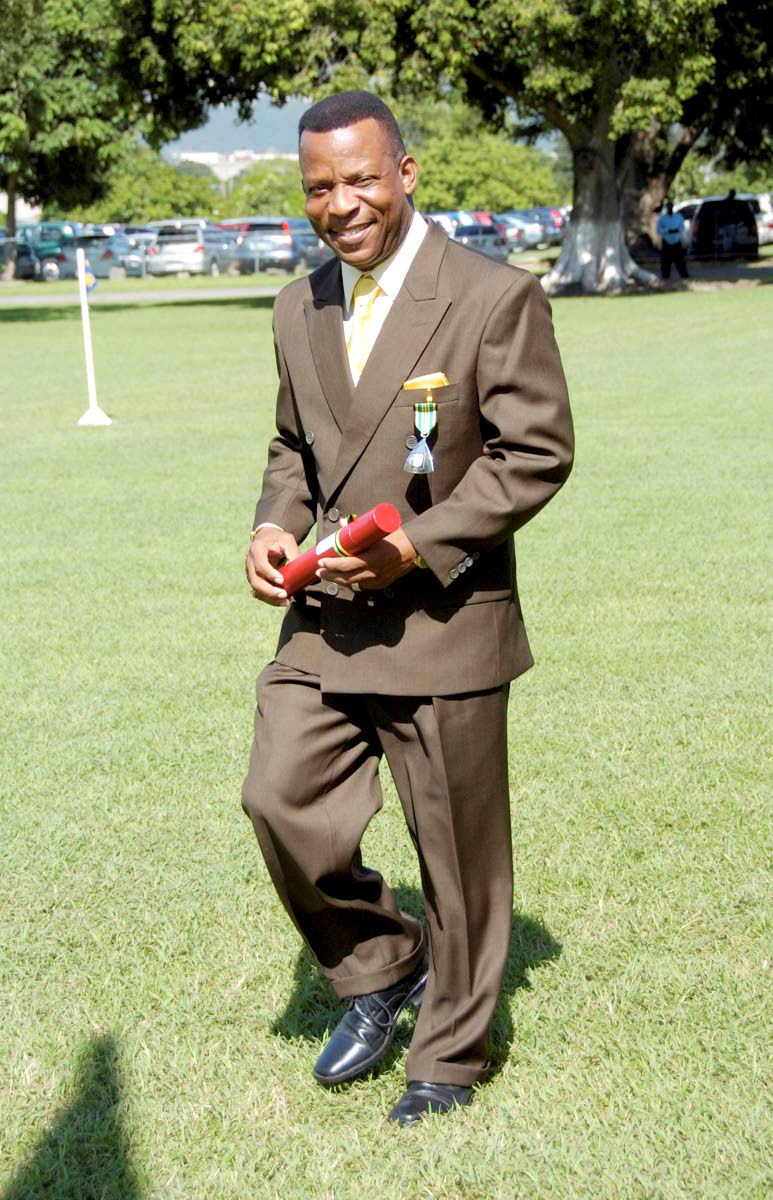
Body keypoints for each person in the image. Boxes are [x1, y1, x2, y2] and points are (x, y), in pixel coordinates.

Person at [242, 91, 574, 1126]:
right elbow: (295, 448)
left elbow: (536, 455)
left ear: (406, 172)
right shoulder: (299, 307)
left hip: (443, 621)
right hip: (325, 621)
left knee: (457, 858)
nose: (339, 204)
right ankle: (381, 967)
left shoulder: (489, 297)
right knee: (278, 797)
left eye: (359, 179)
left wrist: (416, 549)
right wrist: (271, 523)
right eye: (318, 188)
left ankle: (450, 1054)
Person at [656, 201, 688, 280]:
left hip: (676, 240)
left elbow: (682, 227)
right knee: (666, 260)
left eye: (671, 206)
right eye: (668, 206)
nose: (669, 208)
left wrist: (676, 230)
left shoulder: (678, 216)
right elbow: (659, 229)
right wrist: (667, 230)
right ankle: (665, 275)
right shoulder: (662, 218)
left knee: (680, 259)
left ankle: (684, 274)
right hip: (667, 241)